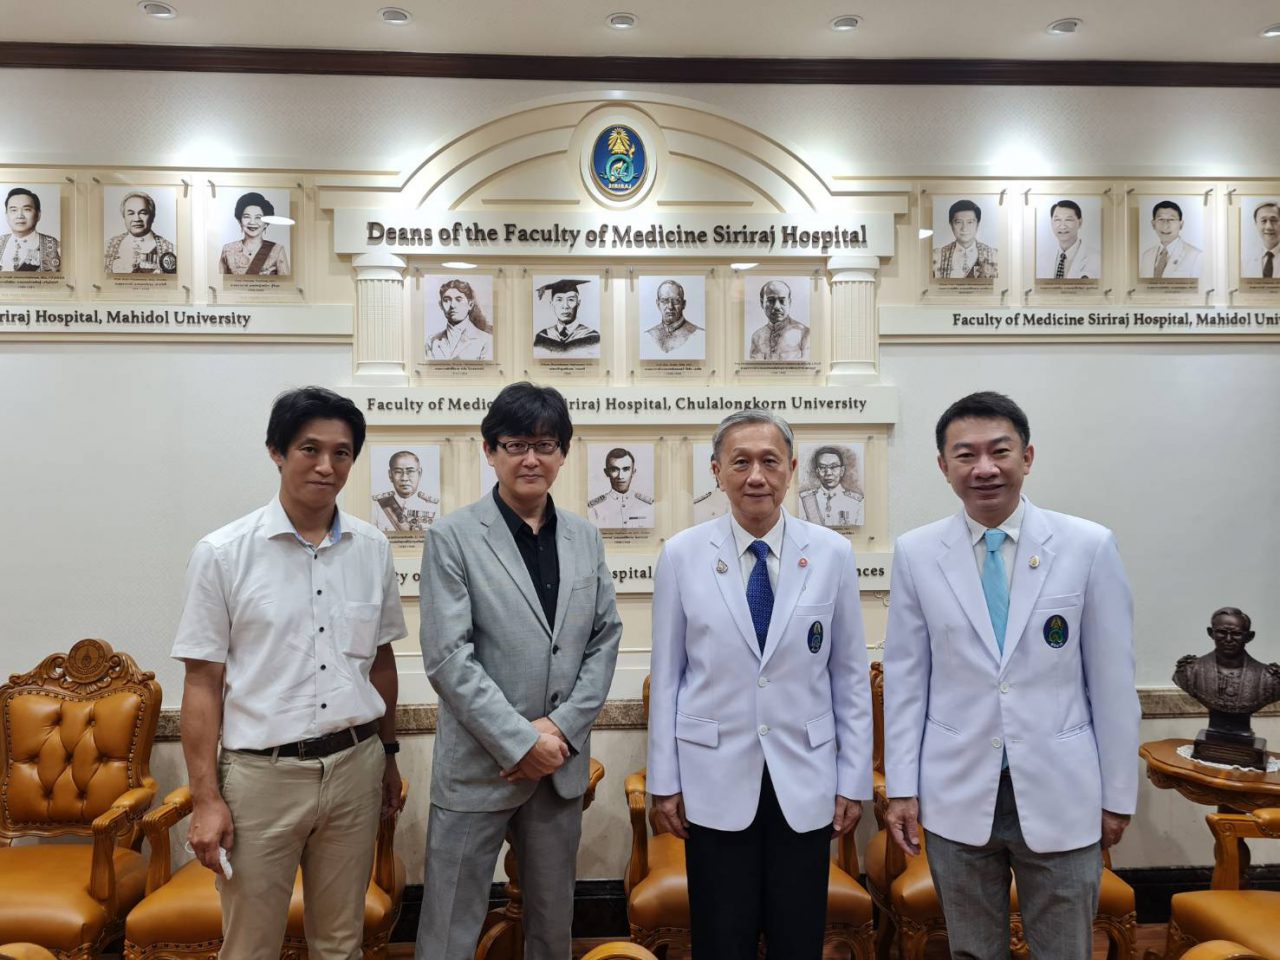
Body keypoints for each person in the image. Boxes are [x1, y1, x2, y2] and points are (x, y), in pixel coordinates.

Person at [883, 391, 1139, 960]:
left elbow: (1113, 684)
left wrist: (1118, 794)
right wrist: (901, 788)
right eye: (965, 454)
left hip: (1062, 788)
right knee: (973, 951)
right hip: (956, 789)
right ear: (943, 465)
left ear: (1027, 456)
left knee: (1064, 950)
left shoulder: (1087, 546)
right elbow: (905, 680)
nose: (985, 468)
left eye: (999, 451)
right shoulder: (918, 553)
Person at [171, 386, 406, 960]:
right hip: (261, 778)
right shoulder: (223, 553)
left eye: (342, 453)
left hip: (355, 766)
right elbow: (202, 684)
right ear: (277, 452)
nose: (327, 466)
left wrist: (389, 756)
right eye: (310, 449)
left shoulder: (372, 548)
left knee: (341, 943)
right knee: (250, 946)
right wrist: (205, 799)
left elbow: (380, 662)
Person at [648, 409, 872, 960]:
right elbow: (669, 675)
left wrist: (853, 780)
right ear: (716, 471)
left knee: (798, 938)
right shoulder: (682, 555)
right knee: (722, 938)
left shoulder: (832, 553)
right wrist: (664, 781)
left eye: (770, 462)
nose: (756, 476)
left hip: (806, 775)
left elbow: (848, 676)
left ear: (791, 469)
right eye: (740, 462)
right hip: (712, 775)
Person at [416, 381, 622, 960]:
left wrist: (559, 730)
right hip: (479, 764)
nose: (531, 458)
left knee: (553, 929)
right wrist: (520, 741)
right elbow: (448, 656)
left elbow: (604, 638)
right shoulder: (452, 536)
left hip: (558, 766)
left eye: (545, 444)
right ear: (490, 451)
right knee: (449, 930)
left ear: (563, 453)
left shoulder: (584, 537)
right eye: (515, 444)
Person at [1173, 607, 1280, 717]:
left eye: (1236, 634)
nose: (1228, 639)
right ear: (1211, 633)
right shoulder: (1189, 672)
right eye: (1222, 632)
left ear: (1249, 637)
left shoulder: (1270, 678)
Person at [219, 191, 290, 276]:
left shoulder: (277, 250)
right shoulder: (228, 250)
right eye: (247, 217)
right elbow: (220, 281)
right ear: (240, 221)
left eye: (258, 217)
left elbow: (285, 282)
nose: (252, 222)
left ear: (266, 223)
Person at [105, 190, 176, 274]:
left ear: (152, 216)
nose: (137, 219)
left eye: (143, 213)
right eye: (131, 213)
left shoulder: (171, 249)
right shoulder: (108, 246)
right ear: (124, 216)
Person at [372, 449, 439, 534]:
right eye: (398, 472)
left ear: (419, 473)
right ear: (390, 475)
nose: (404, 478)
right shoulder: (377, 507)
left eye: (410, 471)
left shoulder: (433, 507)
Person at [587, 447, 655, 529]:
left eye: (626, 469)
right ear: (606, 472)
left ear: (633, 472)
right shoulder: (595, 508)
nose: (620, 476)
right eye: (614, 470)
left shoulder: (647, 505)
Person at [799, 445, 865, 528]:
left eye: (833, 467)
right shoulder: (804, 501)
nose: (828, 473)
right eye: (823, 467)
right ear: (817, 472)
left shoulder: (856, 502)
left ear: (842, 471)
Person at [428, 278, 493, 360]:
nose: (452, 305)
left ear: (470, 304)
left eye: (458, 300)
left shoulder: (487, 341)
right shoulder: (431, 342)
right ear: (441, 305)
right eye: (446, 300)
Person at [932, 199, 999, 279]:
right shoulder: (937, 256)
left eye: (970, 222)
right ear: (951, 225)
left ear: (977, 224)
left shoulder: (994, 255)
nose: (964, 228)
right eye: (958, 222)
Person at [532, 279, 600, 355]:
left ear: (578, 304)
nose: (565, 306)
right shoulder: (543, 337)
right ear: (552, 304)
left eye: (571, 299)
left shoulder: (592, 337)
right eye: (559, 300)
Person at [0, 187, 60, 272]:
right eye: (14, 210)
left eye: (27, 209)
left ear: (38, 215)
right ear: (6, 215)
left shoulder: (54, 246)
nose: (20, 216)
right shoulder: (1, 242)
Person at [747, 279, 810, 361]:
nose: (777, 307)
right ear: (762, 303)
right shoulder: (757, 336)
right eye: (771, 301)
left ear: (789, 302)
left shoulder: (804, 333)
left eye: (782, 301)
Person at [642, 279, 704, 358]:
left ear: (683, 304)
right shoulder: (648, 336)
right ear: (658, 304)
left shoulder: (699, 335)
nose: (670, 306)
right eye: (664, 301)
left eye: (676, 301)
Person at [1139, 200, 1201, 279]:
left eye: (1171, 219)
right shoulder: (1146, 256)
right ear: (1153, 224)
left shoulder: (1196, 256)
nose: (1165, 226)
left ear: (1181, 224)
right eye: (1161, 219)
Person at [1042, 200, 1100, 280]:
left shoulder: (1097, 259)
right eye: (1057, 220)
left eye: (1068, 220)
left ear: (1080, 222)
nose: (1062, 226)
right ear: (1051, 222)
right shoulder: (1041, 258)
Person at [1242, 202, 1280, 279]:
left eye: (1274, 220)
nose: (1269, 227)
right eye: (1263, 221)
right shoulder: (1244, 260)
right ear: (1256, 224)